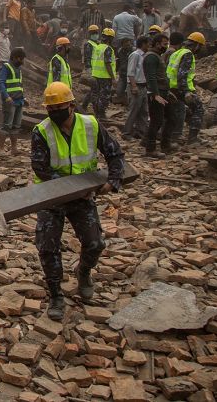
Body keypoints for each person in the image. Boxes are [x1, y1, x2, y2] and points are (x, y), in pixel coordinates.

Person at [32, 82, 124, 321]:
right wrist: (72, 187)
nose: (54, 113)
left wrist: (113, 180)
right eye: (50, 109)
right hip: (50, 197)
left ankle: (83, 272)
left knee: (95, 243)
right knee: (48, 247)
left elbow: (114, 152)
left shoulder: (90, 124)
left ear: (71, 106)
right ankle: (55, 295)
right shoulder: (41, 131)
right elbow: (40, 168)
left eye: (58, 107)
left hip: (82, 197)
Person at [166, 32, 206, 145]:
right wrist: (187, 91)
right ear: (197, 45)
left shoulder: (177, 52)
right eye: (200, 47)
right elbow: (182, 74)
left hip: (172, 88)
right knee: (198, 108)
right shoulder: (188, 54)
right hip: (181, 89)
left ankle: (174, 137)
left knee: (178, 111)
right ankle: (192, 139)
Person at [142, 33, 173, 158]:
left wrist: (167, 91)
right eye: (164, 44)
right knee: (156, 121)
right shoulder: (151, 57)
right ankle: (150, 149)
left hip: (162, 92)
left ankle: (165, 144)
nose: (166, 46)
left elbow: (160, 76)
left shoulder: (156, 56)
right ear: (157, 44)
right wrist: (155, 94)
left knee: (171, 117)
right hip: (157, 93)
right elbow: (151, 77)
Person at [0, 48, 26, 154]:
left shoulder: (18, 69)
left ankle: (14, 149)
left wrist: (24, 98)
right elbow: (0, 83)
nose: (22, 61)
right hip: (10, 101)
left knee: (16, 126)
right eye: (20, 59)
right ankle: (1, 149)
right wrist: (6, 96)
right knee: (6, 125)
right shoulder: (5, 67)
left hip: (19, 101)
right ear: (14, 57)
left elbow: (19, 85)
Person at [124, 36, 150, 139]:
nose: (149, 45)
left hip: (143, 86)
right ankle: (126, 133)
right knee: (133, 110)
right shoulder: (135, 55)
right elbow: (130, 72)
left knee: (143, 111)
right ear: (143, 44)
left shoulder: (144, 56)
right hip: (136, 85)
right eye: (148, 43)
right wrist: (134, 86)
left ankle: (141, 132)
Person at [89, 28, 117, 120]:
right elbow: (107, 63)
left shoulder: (98, 47)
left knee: (95, 95)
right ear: (110, 38)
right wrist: (113, 78)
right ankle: (101, 115)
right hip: (105, 76)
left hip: (95, 75)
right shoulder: (108, 49)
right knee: (104, 96)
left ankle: (97, 113)